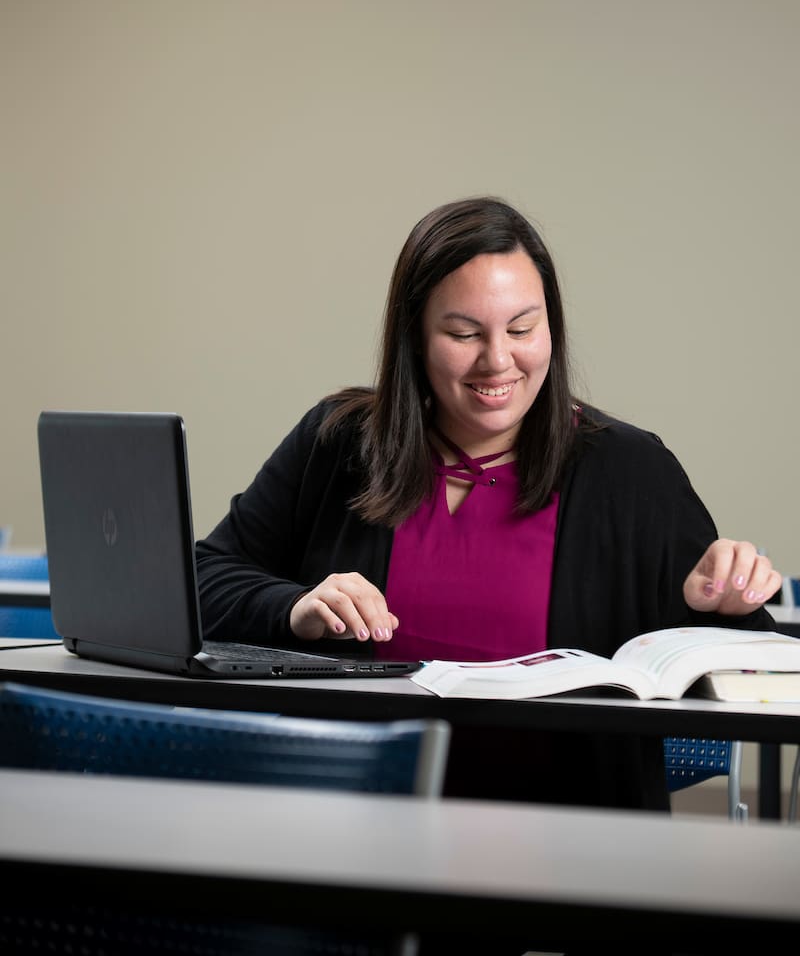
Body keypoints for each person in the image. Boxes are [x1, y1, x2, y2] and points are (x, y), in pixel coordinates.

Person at [196, 195, 781, 814]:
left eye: (522, 329)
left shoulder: (631, 471)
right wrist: (295, 607)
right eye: (463, 333)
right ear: (415, 337)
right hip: (348, 827)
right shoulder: (340, 442)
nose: (497, 360)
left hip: (574, 843)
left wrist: (724, 608)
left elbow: (738, 666)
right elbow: (204, 579)